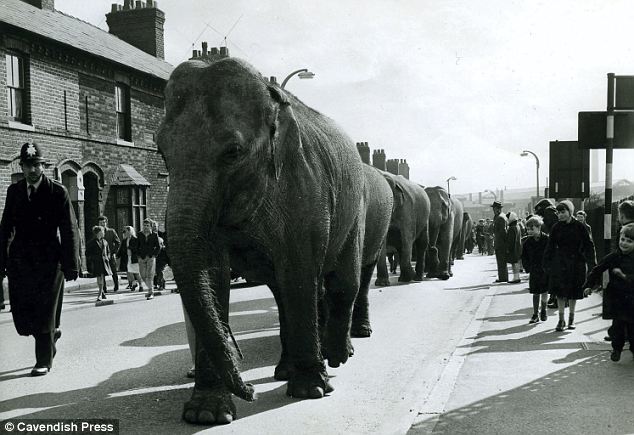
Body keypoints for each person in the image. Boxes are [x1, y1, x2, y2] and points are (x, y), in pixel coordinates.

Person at [0, 142, 80, 376]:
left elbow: (69, 229)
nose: (32, 170)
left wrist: (71, 264)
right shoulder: (14, 192)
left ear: (43, 166)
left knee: (45, 311)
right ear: (22, 166)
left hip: (49, 262)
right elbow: (6, 228)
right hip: (21, 262)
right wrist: (1, 261)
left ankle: (43, 360)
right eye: (27, 165)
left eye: (36, 165)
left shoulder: (57, 192)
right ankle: (52, 333)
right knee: (24, 315)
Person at [583, 223, 634, 361]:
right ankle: (616, 349)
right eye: (622, 239)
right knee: (618, 327)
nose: (624, 243)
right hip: (617, 299)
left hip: (632, 300)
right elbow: (598, 269)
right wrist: (589, 285)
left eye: (629, 241)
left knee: (632, 328)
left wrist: (624, 276)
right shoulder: (613, 257)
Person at [543, 200, 596, 332]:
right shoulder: (556, 227)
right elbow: (550, 246)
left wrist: (591, 263)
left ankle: (571, 319)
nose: (560, 215)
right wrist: (547, 263)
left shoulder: (580, 227)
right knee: (560, 293)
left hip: (577, 263)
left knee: (573, 292)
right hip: (560, 263)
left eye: (563, 212)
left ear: (570, 212)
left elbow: (589, 246)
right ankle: (561, 320)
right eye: (558, 213)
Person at [521, 216, 549, 323]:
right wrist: (527, 268)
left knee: (545, 290)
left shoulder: (546, 239)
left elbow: (552, 253)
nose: (529, 231)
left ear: (539, 227)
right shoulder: (527, 242)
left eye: (531, 229)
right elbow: (524, 257)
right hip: (534, 270)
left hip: (545, 269)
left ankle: (544, 310)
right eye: (528, 229)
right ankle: (535, 314)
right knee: (535, 291)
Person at [85, 225, 112, 301]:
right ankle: (101, 293)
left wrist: (108, 257)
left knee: (101, 277)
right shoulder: (91, 242)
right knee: (99, 277)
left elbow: (108, 251)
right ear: (99, 233)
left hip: (104, 262)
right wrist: (93, 259)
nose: (104, 233)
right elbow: (87, 253)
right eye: (103, 231)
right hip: (97, 262)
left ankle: (100, 293)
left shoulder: (105, 241)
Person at [137, 218, 160, 300]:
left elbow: (158, 247)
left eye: (147, 225)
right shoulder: (139, 234)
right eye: (144, 225)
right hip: (142, 258)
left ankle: (151, 292)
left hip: (151, 257)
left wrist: (154, 255)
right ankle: (150, 290)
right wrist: (138, 256)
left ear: (150, 226)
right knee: (143, 276)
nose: (146, 227)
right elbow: (137, 246)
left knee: (149, 276)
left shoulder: (154, 235)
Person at [97, 216, 120, 292]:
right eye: (101, 223)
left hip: (111, 254)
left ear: (106, 222)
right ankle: (104, 288)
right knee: (102, 272)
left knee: (114, 271)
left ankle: (116, 286)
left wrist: (114, 252)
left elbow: (118, 242)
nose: (102, 224)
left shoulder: (111, 231)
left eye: (104, 222)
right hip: (102, 256)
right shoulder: (96, 232)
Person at [119, 226, 142, 291]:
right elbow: (121, 249)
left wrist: (130, 248)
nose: (124, 233)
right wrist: (118, 255)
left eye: (126, 231)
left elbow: (137, 248)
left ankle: (141, 285)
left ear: (130, 231)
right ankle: (134, 283)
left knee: (136, 272)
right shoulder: (125, 240)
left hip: (133, 258)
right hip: (127, 258)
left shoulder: (135, 239)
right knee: (129, 272)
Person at [492, 201, 508, 283]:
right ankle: (503, 277)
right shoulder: (500, 216)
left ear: (498, 209)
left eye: (494, 209)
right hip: (500, 242)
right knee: (501, 261)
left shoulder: (500, 218)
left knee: (501, 261)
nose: (493, 210)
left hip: (501, 243)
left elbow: (503, 231)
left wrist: (503, 242)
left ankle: (503, 277)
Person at [505, 211, 522, 284]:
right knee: (517, 262)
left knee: (514, 263)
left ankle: (515, 278)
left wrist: (508, 248)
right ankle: (517, 277)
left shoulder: (511, 228)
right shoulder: (517, 226)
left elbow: (510, 240)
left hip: (513, 248)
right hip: (518, 247)